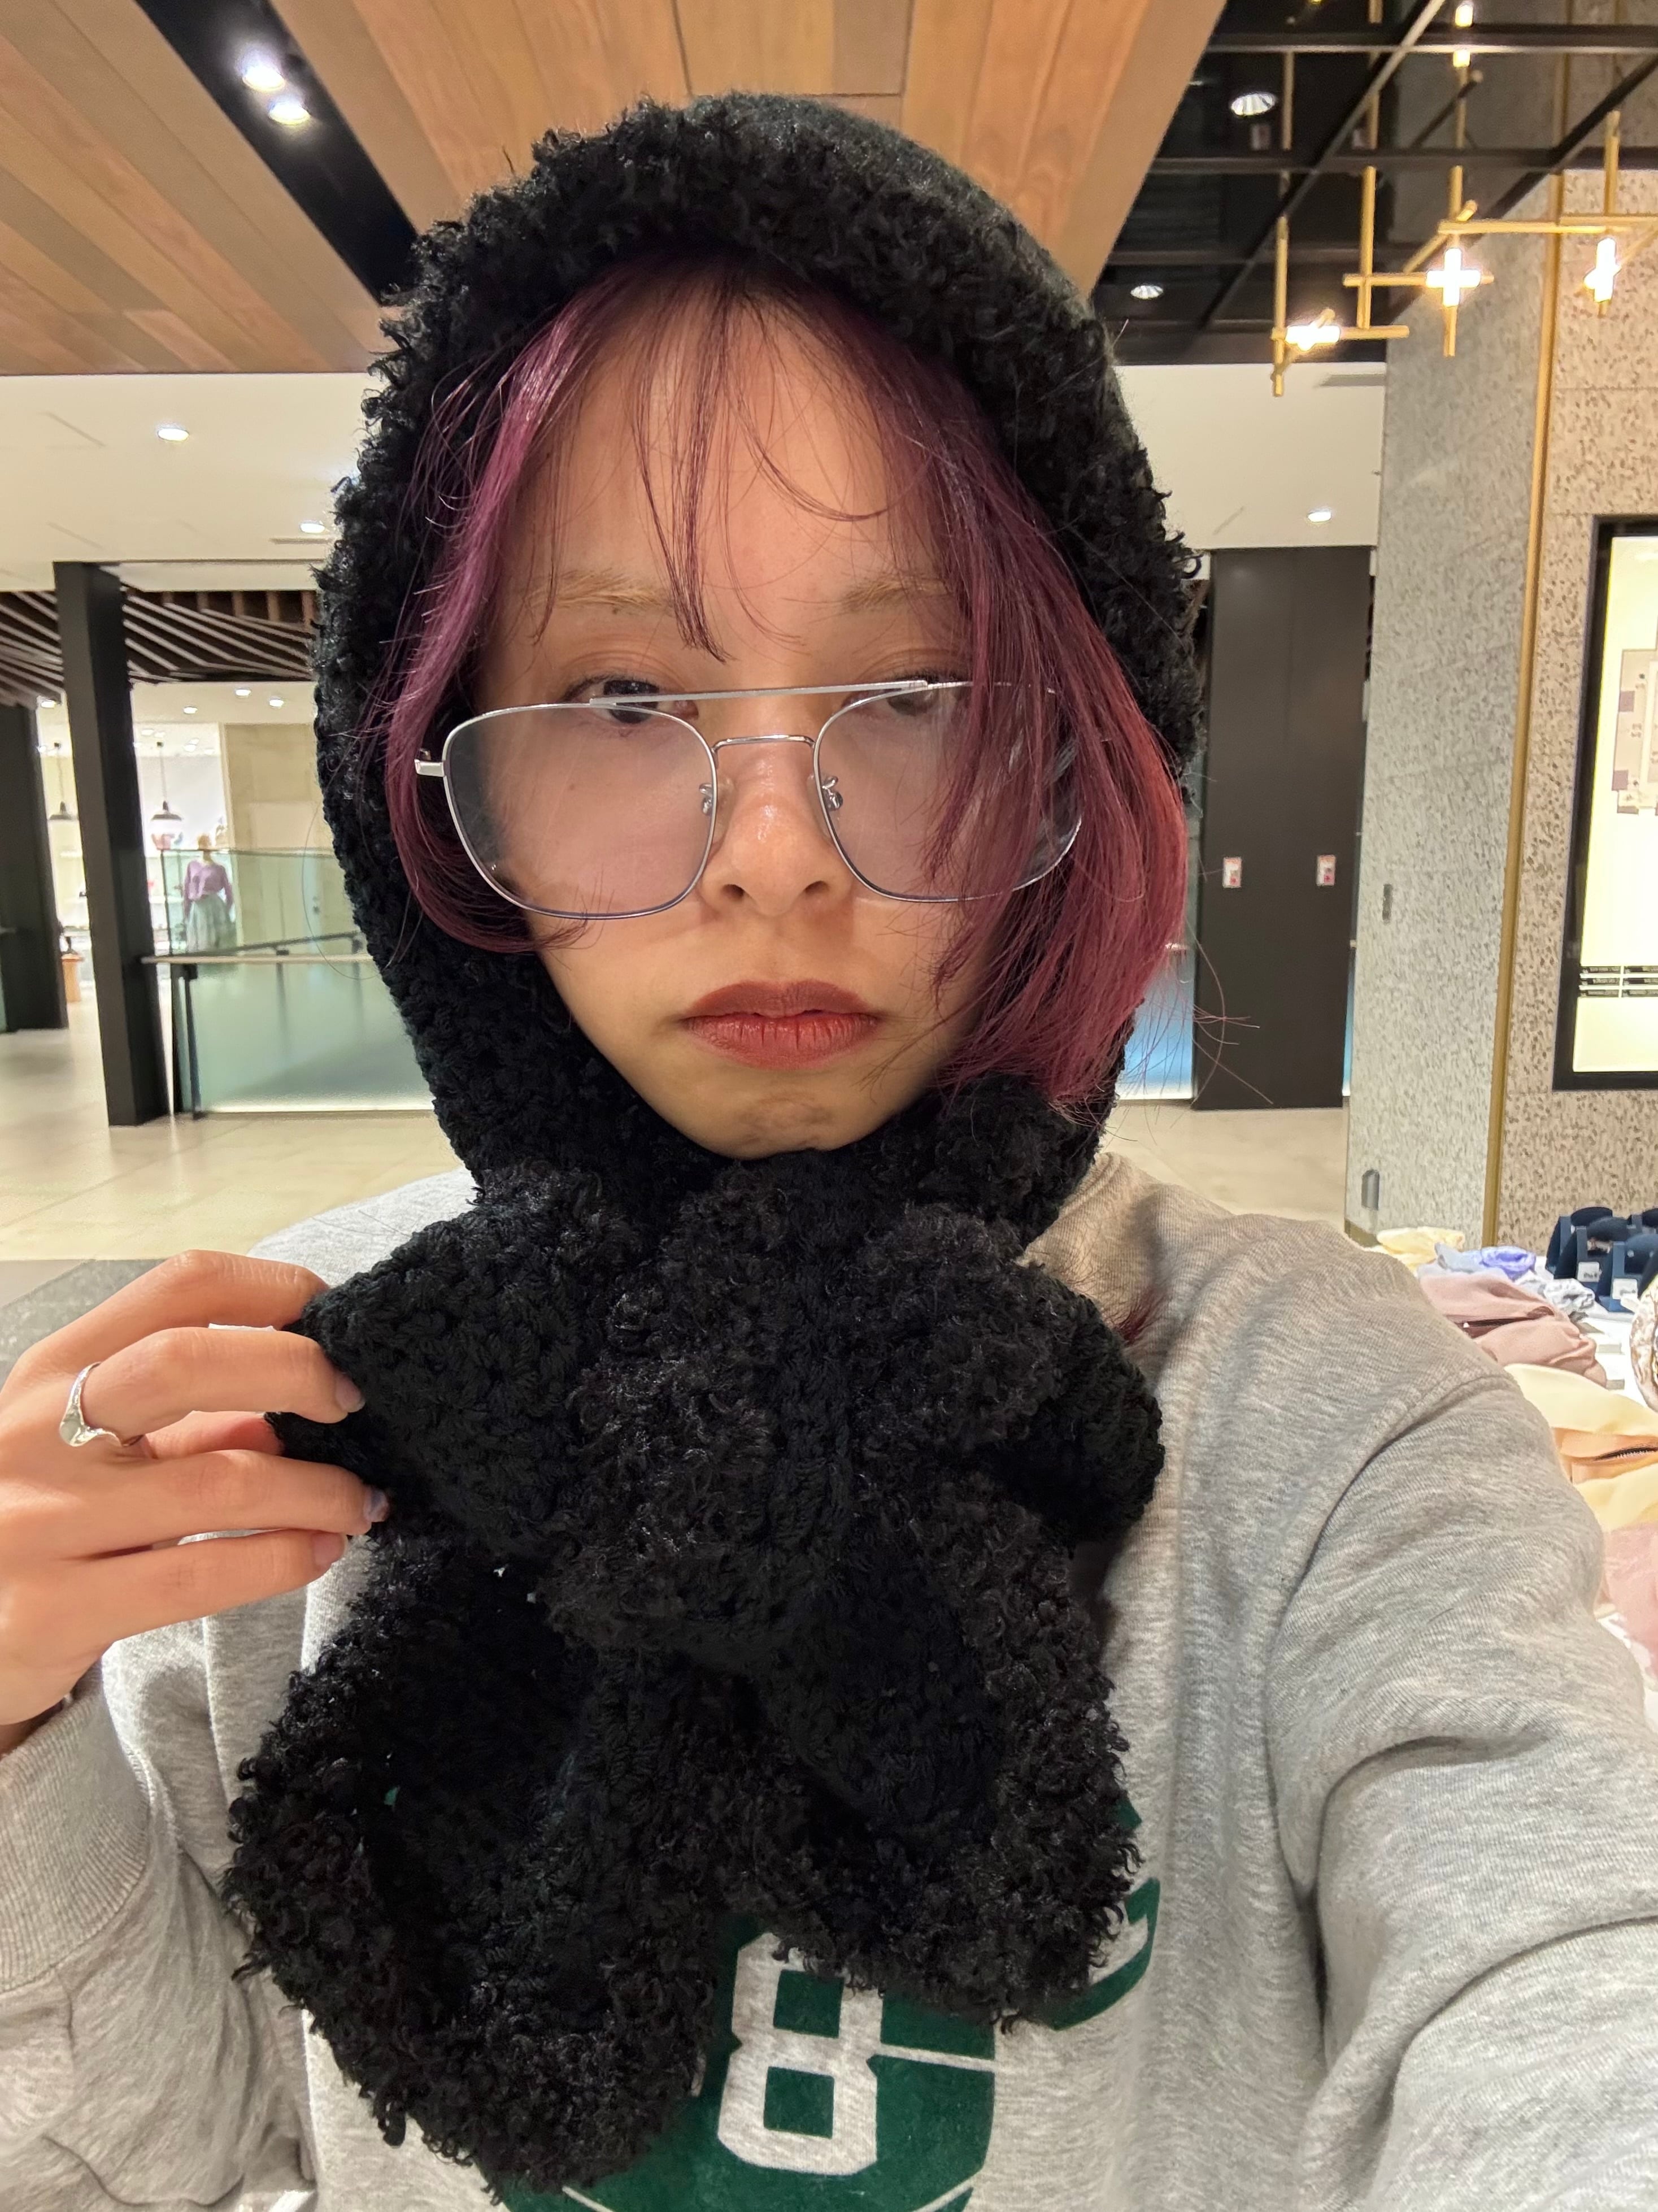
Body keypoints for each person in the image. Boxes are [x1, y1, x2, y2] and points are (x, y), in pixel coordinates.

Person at [1, 97, 1656, 2212]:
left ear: (1077, 757)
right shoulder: (320, 1399)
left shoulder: (1322, 1427)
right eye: (619, 695)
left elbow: (1565, 1978)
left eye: (917, 690)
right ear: (428, 792)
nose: (774, 852)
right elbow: (179, 2143)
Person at [180, 833, 236, 954]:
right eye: (202, 844)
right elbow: (187, 888)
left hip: (214, 906)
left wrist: (225, 911)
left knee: (218, 941)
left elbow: (229, 891)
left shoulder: (219, 868)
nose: (205, 847)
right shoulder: (192, 866)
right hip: (198, 907)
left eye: (207, 844)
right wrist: (187, 909)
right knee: (200, 941)